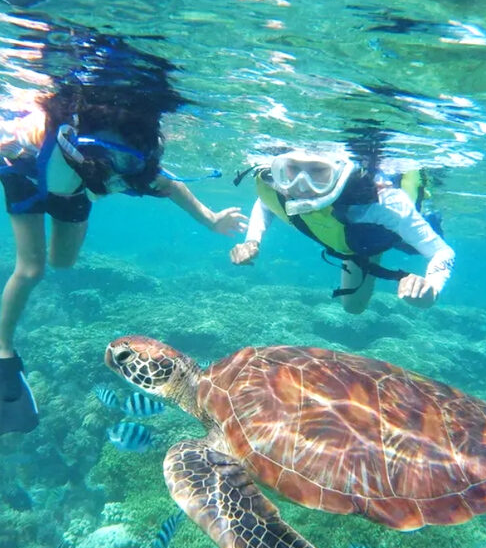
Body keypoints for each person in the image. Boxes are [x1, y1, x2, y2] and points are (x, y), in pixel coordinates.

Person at [0, 31, 247, 436]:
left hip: (71, 188)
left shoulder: (135, 168)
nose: (109, 165)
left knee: (63, 262)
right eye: (99, 152)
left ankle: (80, 200)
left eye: (121, 159)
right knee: (31, 269)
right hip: (28, 173)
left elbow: (172, 186)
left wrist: (211, 220)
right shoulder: (44, 133)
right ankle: (4, 357)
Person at [230, 147, 454, 314]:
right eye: (292, 170)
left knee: (354, 302)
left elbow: (442, 252)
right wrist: (252, 240)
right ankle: (362, 245)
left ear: (339, 173)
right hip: (349, 237)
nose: (301, 185)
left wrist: (431, 290)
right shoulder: (278, 185)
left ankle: (370, 245)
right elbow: (266, 202)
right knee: (353, 308)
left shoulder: (381, 203)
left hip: (381, 232)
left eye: (318, 172)